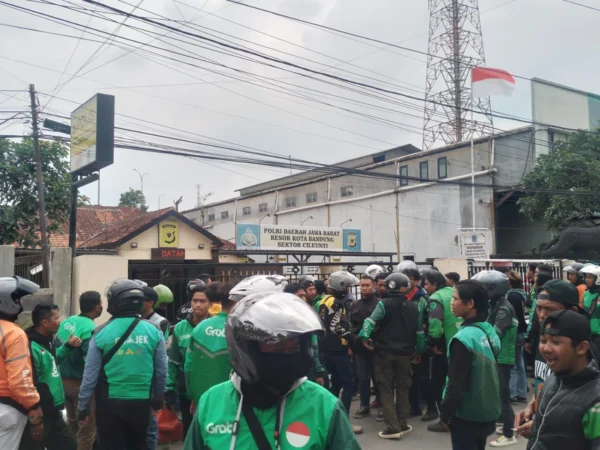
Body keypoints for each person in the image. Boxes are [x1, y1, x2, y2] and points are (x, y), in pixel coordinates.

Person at [183, 291, 361, 450]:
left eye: (292, 348)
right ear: (246, 348)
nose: (285, 355)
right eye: (276, 347)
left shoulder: (324, 406)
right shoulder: (212, 402)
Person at [77, 279, 167, 450]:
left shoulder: (100, 332)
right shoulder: (154, 331)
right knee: (139, 444)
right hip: (141, 404)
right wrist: (158, 398)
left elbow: (89, 376)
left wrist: (83, 407)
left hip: (109, 404)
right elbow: (162, 370)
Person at [516, 310, 600, 449]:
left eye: (556, 342)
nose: (546, 348)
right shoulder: (551, 381)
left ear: (581, 347)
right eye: (543, 341)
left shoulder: (595, 402)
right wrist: (539, 430)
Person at [514, 280, 583, 440]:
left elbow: (581, 404)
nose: (542, 315)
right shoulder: (544, 338)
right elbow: (543, 381)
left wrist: (546, 427)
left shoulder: (580, 352)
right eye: (539, 308)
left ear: (572, 311)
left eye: (550, 309)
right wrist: (532, 405)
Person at [359, 273, 424, 439]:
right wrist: (419, 351)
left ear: (389, 286)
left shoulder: (383, 304)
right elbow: (420, 333)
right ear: (406, 287)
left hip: (384, 353)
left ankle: (392, 429)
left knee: (386, 389)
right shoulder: (414, 307)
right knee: (403, 389)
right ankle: (403, 423)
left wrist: (364, 338)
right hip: (406, 354)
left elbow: (370, 322)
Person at [441, 280, 501, 450]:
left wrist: (446, 415)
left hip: (467, 415)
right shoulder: (488, 330)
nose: (451, 303)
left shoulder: (463, 340)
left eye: (455, 299)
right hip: (487, 411)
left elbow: (456, 384)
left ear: (470, 303)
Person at [21, 302, 80, 450]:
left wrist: (67, 347)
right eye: (57, 318)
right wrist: (35, 411)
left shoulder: (49, 340)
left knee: (69, 445)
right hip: (40, 411)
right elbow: (29, 381)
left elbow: (51, 363)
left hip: (53, 410)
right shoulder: (30, 346)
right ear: (45, 322)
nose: (60, 321)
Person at [472, 270, 518, 447]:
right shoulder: (496, 304)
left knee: (502, 396)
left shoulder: (504, 308)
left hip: (503, 357)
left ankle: (509, 434)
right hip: (498, 356)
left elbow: (496, 332)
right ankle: (506, 425)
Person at [316, 271, 363, 434]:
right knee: (349, 383)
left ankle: (331, 420)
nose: (349, 289)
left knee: (335, 385)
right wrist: (353, 338)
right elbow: (336, 327)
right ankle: (344, 422)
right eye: (348, 286)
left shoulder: (324, 300)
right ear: (341, 286)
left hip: (325, 348)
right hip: (337, 349)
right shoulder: (336, 303)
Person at [55, 291, 103, 450]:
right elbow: (89, 362)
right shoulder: (90, 328)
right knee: (87, 428)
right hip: (79, 385)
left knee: (72, 423)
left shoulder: (69, 321)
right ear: (97, 307)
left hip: (63, 382)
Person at [0, 277, 42, 450]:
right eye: (17, 299)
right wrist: (34, 406)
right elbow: (19, 382)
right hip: (7, 409)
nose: (20, 304)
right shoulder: (13, 334)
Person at [166, 282, 212, 436]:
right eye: (195, 301)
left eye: (202, 301)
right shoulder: (180, 328)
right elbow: (173, 361)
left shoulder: (217, 327)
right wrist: (168, 387)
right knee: (190, 433)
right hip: (186, 392)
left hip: (211, 390)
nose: (197, 305)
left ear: (210, 304)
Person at [422, 269, 459, 429]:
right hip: (461, 340)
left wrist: (430, 344)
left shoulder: (435, 298)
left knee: (438, 383)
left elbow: (436, 325)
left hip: (444, 345)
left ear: (435, 284)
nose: (425, 287)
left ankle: (445, 420)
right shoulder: (454, 292)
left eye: (427, 284)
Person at [350, 275, 382, 421]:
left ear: (374, 286)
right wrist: (351, 346)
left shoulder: (380, 304)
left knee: (379, 378)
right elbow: (351, 327)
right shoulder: (355, 305)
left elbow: (383, 326)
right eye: (362, 285)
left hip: (376, 347)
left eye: (367, 285)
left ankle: (382, 406)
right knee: (363, 378)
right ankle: (364, 406)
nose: (364, 288)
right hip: (360, 349)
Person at [403, 268, 431, 418]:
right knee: (408, 376)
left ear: (416, 281)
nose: (406, 283)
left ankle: (425, 404)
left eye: (409, 279)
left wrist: (423, 327)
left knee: (422, 375)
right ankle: (413, 405)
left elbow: (429, 319)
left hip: (420, 340)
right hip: (405, 342)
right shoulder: (400, 296)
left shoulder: (423, 298)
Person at [505, 271, 528, 404]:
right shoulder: (521, 295)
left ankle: (512, 393)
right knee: (520, 363)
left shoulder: (512, 296)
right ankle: (521, 393)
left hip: (515, 332)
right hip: (521, 331)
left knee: (512, 364)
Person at [581, 264, 600, 348]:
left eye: (590, 277)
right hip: (588, 334)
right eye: (586, 277)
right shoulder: (586, 294)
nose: (586, 280)